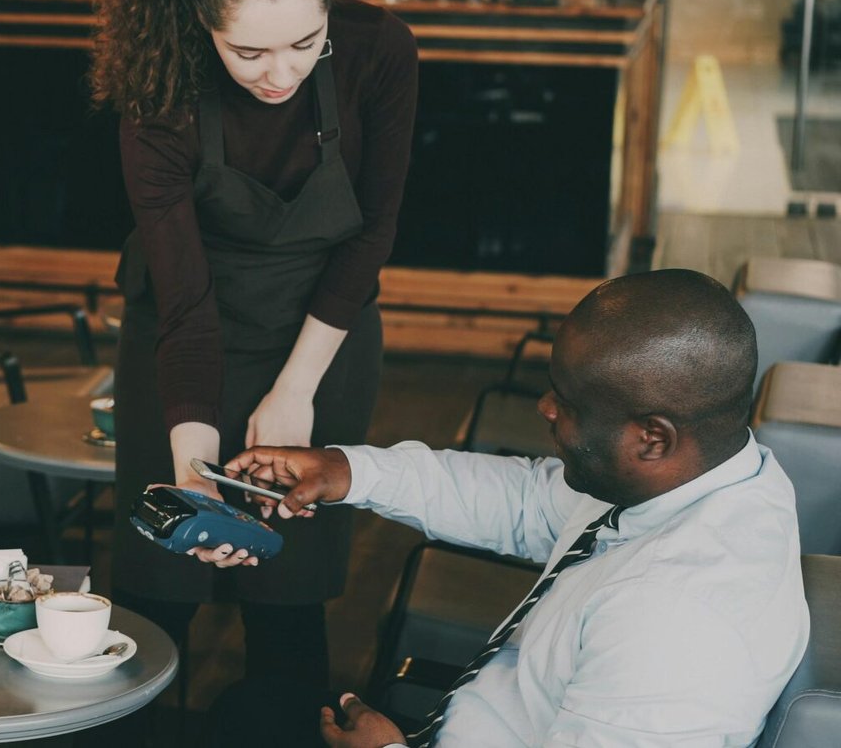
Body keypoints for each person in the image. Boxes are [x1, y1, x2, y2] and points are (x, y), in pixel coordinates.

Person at [206, 269, 808, 747]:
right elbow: (524, 501)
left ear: (652, 437)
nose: (544, 407)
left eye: (567, 402)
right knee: (251, 712)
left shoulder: (677, 630)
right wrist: (349, 470)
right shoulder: (712, 477)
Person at [89, 0, 417, 730]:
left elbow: (371, 233)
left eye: (306, 43)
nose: (282, 73)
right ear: (203, 22)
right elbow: (185, 301)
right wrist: (197, 467)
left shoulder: (379, 49)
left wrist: (296, 389)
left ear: (328, 3)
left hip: (327, 322)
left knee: (287, 582)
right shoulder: (158, 83)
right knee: (159, 579)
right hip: (184, 321)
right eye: (249, 52)